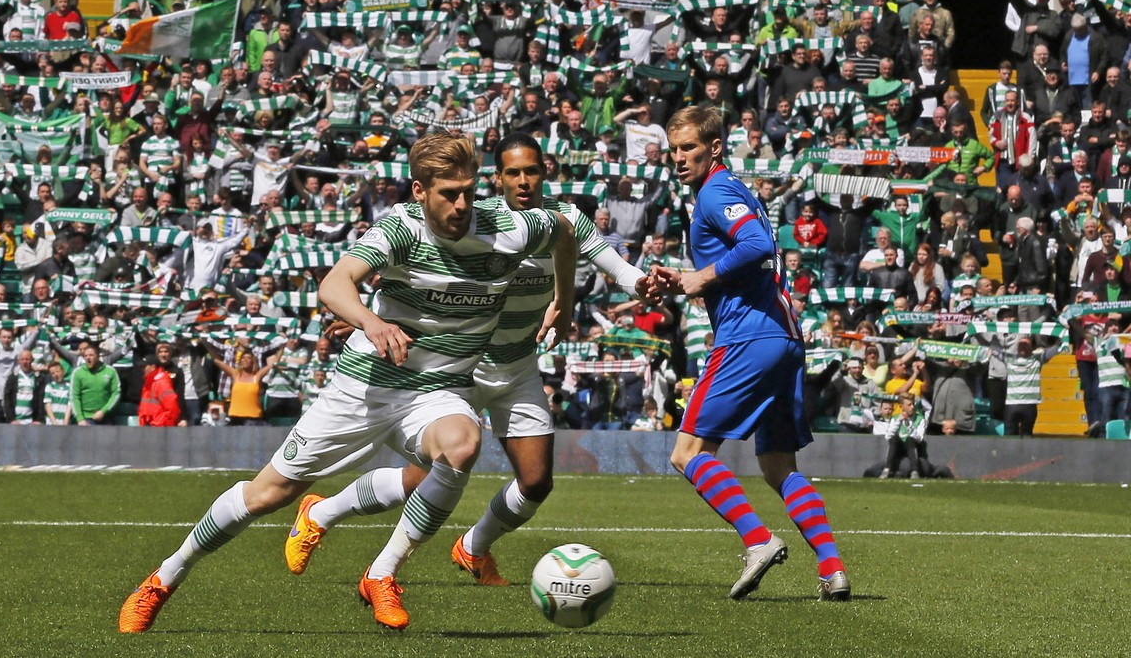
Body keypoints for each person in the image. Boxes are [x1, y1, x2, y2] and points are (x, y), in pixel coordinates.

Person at [119, 133, 577, 633]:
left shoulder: (511, 227)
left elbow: (564, 233)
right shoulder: (400, 229)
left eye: (469, 189)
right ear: (419, 190)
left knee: (463, 445)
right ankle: (161, 580)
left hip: (437, 390)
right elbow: (335, 282)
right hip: (366, 386)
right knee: (269, 495)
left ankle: (381, 574)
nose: (463, 204)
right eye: (449, 193)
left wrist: (565, 302)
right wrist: (368, 319)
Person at [285, 133, 658, 586]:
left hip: (517, 365)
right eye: (512, 172)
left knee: (537, 481)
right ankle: (327, 514)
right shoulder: (472, 225)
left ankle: (473, 547)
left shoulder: (563, 221)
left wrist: (630, 287)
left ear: (546, 173)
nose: (523, 180)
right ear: (495, 178)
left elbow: (612, 264)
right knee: (421, 476)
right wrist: (373, 319)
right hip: (461, 368)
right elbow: (430, 289)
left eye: (532, 171)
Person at [651, 106, 851, 601]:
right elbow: (750, 253)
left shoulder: (715, 191)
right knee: (778, 464)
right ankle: (832, 569)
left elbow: (758, 244)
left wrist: (702, 276)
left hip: (747, 340)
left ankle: (758, 540)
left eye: (689, 148)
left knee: (687, 453)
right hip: (784, 339)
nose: (679, 158)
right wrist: (688, 280)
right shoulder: (735, 190)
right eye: (674, 149)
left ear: (714, 147)